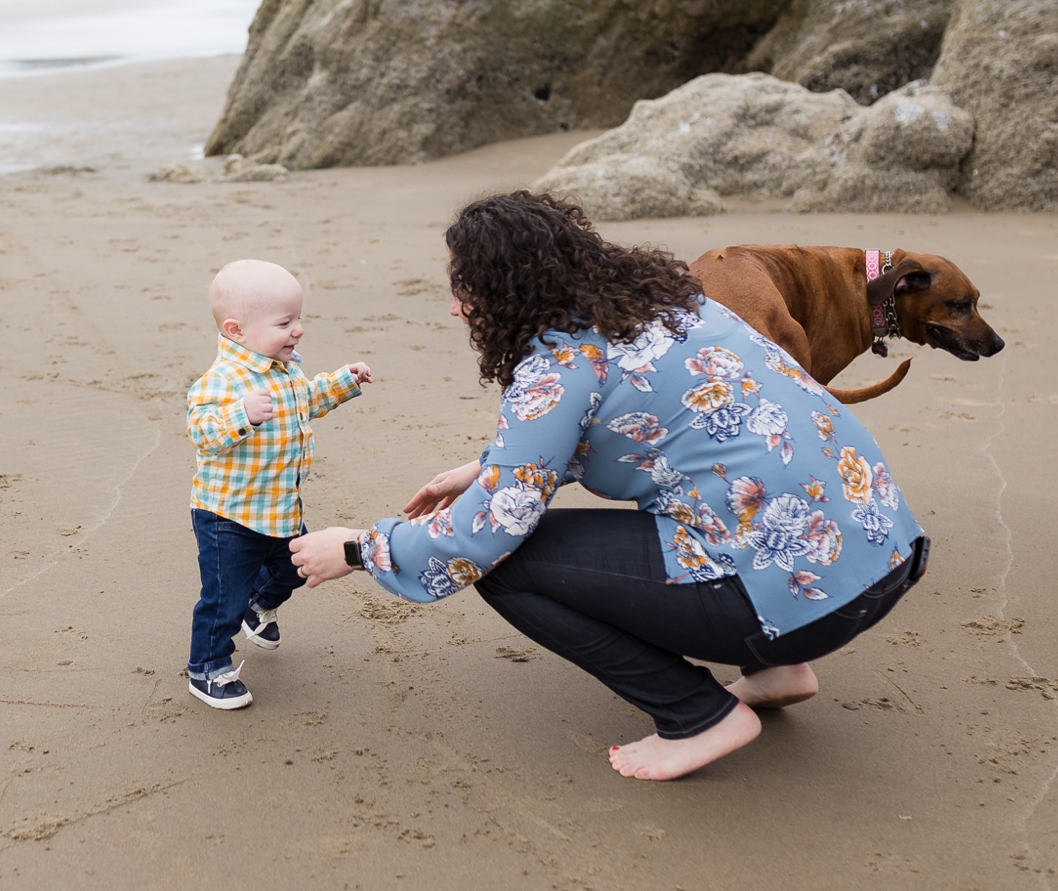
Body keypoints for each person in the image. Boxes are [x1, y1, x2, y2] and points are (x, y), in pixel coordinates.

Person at [288, 191, 929, 780]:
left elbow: (479, 538)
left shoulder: (558, 368)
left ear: (508, 289)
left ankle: (698, 715)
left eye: (464, 286)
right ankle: (777, 669)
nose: (456, 305)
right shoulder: (677, 305)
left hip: (803, 602)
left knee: (509, 564)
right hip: (886, 557)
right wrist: (491, 467)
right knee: (734, 495)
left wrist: (357, 548)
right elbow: (660, 424)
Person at [184, 260, 372, 710]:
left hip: (280, 510)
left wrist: (345, 382)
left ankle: (259, 603)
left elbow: (308, 401)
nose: (299, 330)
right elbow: (203, 433)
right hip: (227, 515)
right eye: (285, 322)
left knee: (296, 569)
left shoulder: (285, 371)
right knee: (221, 597)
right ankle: (207, 667)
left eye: (298, 319)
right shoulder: (223, 381)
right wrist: (241, 415)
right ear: (237, 329)